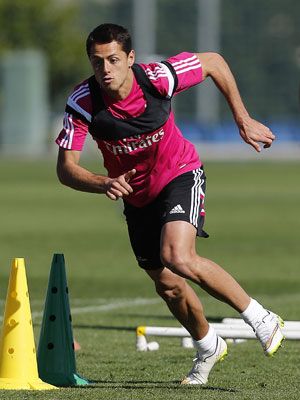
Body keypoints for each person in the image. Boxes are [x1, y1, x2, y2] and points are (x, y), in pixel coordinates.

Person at [55, 23, 284, 385]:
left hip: (180, 173)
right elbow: (65, 169)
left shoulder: (158, 78)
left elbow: (214, 63)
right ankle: (208, 345)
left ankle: (260, 315)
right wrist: (104, 183)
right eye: (97, 62)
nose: (106, 70)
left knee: (178, 256)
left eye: (114, 59)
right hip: (135, 195)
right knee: (168, 286)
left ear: (130, 58)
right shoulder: (83, 101)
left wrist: (241, 118)